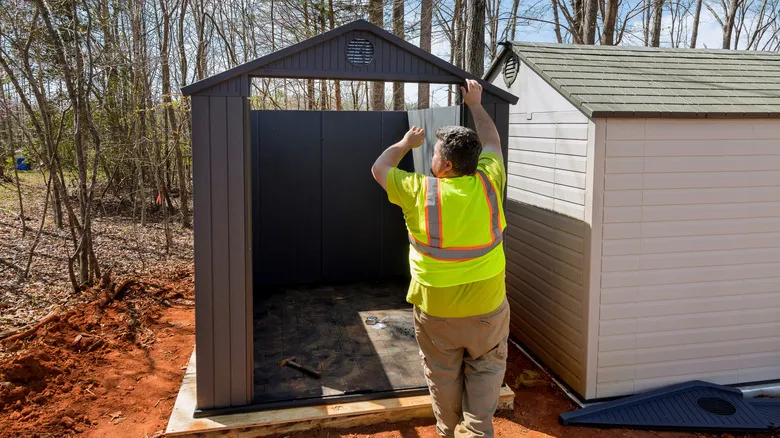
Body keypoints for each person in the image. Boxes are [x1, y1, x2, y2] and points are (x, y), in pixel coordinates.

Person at [371, 79, 510, 438]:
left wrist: (405, 143)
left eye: (432, 152)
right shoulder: (490, 182)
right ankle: (478, 429)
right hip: (488, 310)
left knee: (443, 375)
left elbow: (379, 168)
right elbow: (493, 141)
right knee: (487, 371)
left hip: (438, 312)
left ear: (445, 166)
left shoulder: (419, 190)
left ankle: (449, 431)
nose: (429, 157)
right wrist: (476, 104)